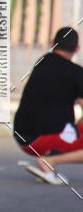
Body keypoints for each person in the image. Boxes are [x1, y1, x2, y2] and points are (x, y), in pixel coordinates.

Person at [14, 26, 83, 186]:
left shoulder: (41, 63)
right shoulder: (76, 73)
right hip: (41, 139)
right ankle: (49, 161)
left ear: (52, 43)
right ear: (77, 49)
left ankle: (49, 161)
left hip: (21, 135)